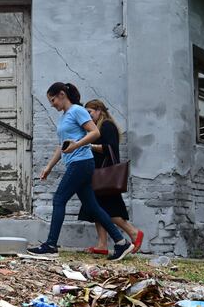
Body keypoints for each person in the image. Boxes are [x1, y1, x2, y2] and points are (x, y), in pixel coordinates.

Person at [29, 82, 134, 261]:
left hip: (82, 163)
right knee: (93, 206)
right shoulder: (64, 116)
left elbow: (95, 133)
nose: (52, 104)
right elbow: (62, 146)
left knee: (59, 199)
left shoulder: (77, 110)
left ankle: (51, 245)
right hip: (76, 164)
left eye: (52, 99)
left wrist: (77, 145)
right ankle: (121, 242)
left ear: (62, 94)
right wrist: (49, 167)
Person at [78, 99, 144, 255]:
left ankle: (134, 232)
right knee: (97, 210)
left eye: (90, 112)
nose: (88, 116)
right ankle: (101, 244)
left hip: (105, 176)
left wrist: (89, 145)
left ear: (99, 110)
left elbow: (111, 149)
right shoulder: (96, 127)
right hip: (98, 175)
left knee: (107, 210)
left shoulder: (107, 126)